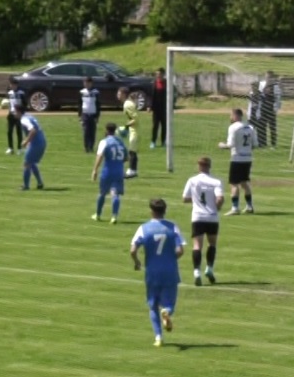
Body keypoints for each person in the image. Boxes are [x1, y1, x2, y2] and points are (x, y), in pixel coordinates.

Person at [129, 198, 185, 347]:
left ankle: (158, 337)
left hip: (152, 272)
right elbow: (180, 250)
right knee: (170, 303)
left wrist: (137, 262)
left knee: (153, 305)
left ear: (151, 211)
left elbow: (133, 250)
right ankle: (166, 311)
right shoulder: (173, 227)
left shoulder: (143, 228)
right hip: (170, 270)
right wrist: (170, 259)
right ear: (164, 211)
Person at [182, 155, 225, 286]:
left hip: (198, 216)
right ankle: (209, 268)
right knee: (212, 244)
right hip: (212, 217)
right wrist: (217, 206)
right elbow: (220, 198)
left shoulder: (192, 180)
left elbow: (185, 198)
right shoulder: (216, 182)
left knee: (197, 246)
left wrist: (196, 200)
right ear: (209, 166)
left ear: (199, 166)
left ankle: (196, 272)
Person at [220, 107, 257, 215]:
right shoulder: (250, 127)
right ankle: (249, 206)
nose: (230, 117)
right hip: (248, 159)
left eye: (231, 115)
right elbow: (255, 144)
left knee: (234, 184)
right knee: (244, 182)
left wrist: (222, 145)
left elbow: (230, 145)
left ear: (236, 116)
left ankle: (235, 208)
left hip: (237, 159)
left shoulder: (233, 127)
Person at [91, 122, 127, 223]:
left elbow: (100, 156)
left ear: (106, 130)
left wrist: (95, 170)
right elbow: (126, 157)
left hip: (108, 170)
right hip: (119, 171)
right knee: (115, 194)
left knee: (102, 193)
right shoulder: (120, 142)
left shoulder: (105, 142)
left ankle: (98, 214)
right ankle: (114, 216)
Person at [14, 108, 46, 190]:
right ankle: (40, 183)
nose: (14, 114)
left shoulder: (23, 120)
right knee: (31, 163)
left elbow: (33, 130)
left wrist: (26, 141)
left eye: (15, 112)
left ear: (19, 112)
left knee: (27, 163)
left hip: (36, 143)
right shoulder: (29, 116)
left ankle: (26, 186)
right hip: (42, 141)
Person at [118, 87, 140, 178]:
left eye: (119, 93)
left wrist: (126, 126)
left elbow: (135, 119)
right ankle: (133, 170)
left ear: (123, 94)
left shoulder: (127, 105)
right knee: (132, 150)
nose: (118, 95)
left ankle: (132, 170)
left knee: (132, 151)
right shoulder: (127, 104)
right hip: (133, 129)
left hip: (134, 130)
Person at [259, 71, 284, 148]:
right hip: (263, 108)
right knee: (262, 126)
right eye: (266, 77)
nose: (268, 78)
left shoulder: (275, 86)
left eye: (269, 77)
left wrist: (276, 109)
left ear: (272, 78)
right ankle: (263, 143)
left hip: (271, 109)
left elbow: (278, 98)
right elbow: (259, 97)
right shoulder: (261, 84)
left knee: (272, 127)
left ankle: (273, 144)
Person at [79, 76, 100, 153]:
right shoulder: (82, 92)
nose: (86, 84)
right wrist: (80, 116)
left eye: (88, 83)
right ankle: (86, 147)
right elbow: (79, 104)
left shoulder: (96, 92)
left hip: (93, 114)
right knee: (86, 131)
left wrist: (97, 116)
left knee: (92, 132)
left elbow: (98, 105)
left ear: (91, 83)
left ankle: (91, 146)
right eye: (85, 83)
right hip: (85, 114)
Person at [5, 84, 27, 154]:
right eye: (11, 85)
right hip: (11, 114)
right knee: (9, 131)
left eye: (13, 85)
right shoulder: (9, 93)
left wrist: (21, 112)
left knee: (19, 131)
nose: (11, 86)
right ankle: (10, 148)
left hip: (18, 115)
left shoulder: (21, 93)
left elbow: (25, 104)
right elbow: (10, 103)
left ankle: (19, 148)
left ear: (16, 85)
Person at [150, 68, 168, 149]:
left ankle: (163, 142)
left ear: (163, 74)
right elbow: (151, 96)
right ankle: (153, 142)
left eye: (160, 74)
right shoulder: (154, 83)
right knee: (155, 126)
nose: (158, 76)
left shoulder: (167, 83)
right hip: (156, 109)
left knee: (164, 126)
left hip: (164, 108)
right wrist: (150, 106)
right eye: (157, 74)